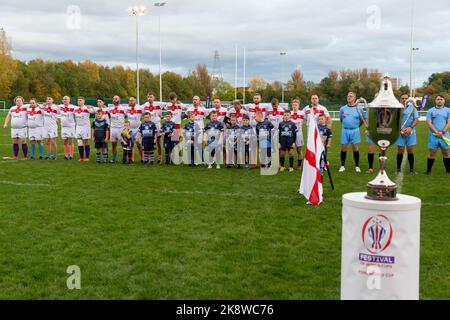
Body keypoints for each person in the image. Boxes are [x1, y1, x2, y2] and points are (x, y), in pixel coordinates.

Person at [338, 92, 364, 173]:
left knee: (355, 148)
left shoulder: (359, 109)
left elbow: (362, 120)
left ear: (354, 98)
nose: (349, 97)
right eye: (348, 96)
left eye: (351, 96)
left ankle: (357, 166)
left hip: (355, 130)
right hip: (345, 130)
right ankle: (342, 166)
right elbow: (341, 120)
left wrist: (356, 127)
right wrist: (347, 126)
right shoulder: (342, 108)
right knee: (343, 148)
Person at [426, 95, 450, 175]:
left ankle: (448, 171)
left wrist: (442, 132)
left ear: (444, 101)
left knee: (446, 153)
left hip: (445, 135)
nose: (439, 100)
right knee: (432, 153)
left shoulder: (448, 110)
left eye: (441, 99)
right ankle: (428, 171)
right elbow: (429, 123)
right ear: (435, 101)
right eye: (438, 99)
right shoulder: (430, 110)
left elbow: (449, 122)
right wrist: (437, 132)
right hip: (433, 135)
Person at [396, 94, 419, 175]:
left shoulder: (413, 108)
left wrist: (410, 127)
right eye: (402, 98)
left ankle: (412, 169)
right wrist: (400, 129)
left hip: (410, 132)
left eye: (406, 98)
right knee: (400, 150)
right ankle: (398, 168)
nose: (404, 100)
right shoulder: (397, 108)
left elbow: (416, 119)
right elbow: (394, 120)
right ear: (400, 99)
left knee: (410, 150)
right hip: (400, 132)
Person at [143, 92, 163, 163]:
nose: (149, 98)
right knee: (148, 141)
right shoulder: (145, 105)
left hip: (157, 125)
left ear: (154, 97)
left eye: (151, 97)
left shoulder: (158, 104)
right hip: (148, 127)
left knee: (158, 141)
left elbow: (160, 114)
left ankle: (160, 157)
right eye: (148, 97)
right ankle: (148, 157)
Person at [108, 95, 127, 163]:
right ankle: (114, 158)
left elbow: (130, 114)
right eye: (113, 98)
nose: (114, 100)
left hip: (120, 129)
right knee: (113, 144)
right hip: (113, 128)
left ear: (119, 100)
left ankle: (125, 158)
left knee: (123, 144)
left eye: (116, 99)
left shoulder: (123, 108)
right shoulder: (110, 108)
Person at [74, 96, 94, 161]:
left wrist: (90, 107)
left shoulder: (86, 108)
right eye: (78, 100)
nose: (79, 101)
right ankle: (81, 157)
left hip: (85, 127)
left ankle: (87, 157)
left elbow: (93, 112)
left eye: (80, 100)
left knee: (86, 141)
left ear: (83, 101)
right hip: (78, 127)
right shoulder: (75, 108)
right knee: (79, 142)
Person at [126, 96, 144, 163]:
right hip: (130, 129)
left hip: (138, 129)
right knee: (131, 144)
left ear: (135, 101)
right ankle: (132, 159)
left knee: (139, 144)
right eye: (130, 100)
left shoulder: (140, 107)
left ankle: (142, 158)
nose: (131, 101)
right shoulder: (127, 108)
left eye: (132, 100)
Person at [42, 96, 59, 160]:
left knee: (53, 141)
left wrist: (57, 119)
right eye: (47, 99)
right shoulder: (44, 107)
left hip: (53, 126)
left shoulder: (56, 107)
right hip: (46, 126)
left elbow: (61, 113)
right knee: (47, 142)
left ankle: (55, 155)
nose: (48, 100)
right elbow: (36, 105)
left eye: (49, 99)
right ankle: (48, 155)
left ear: (52, 100)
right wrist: (43, 105)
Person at [59, 96, 76, 160]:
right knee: (65, 142)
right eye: (63, 99)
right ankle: (66, 156)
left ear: (69, 100)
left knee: (70, 142)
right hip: (63, 127)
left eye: (66, 99)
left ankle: (71, 155)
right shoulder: (60, 106)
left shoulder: (73, 107)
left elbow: (81, 108)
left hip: (70, 126)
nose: (64, 100)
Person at [290, 98, 305, 170]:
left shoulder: (302, 113)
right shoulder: (289, 113)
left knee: (299, 150)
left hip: (299, 134)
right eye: (293, 105)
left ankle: (299, 165)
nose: (294, 106)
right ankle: (291, 165)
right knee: (291, 150)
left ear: (298, 105)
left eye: (296, 105)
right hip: (291, 134)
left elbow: (309, 119)